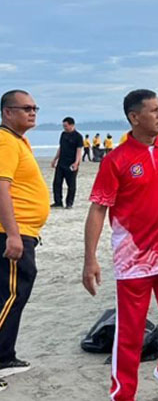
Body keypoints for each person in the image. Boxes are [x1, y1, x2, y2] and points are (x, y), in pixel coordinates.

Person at [82, 89, 158, 401]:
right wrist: (90, 259)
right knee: (131, 331)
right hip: (134, 258)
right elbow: (98, 208)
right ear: (135, 117)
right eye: (154, 110)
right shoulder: (116, 160)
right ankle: (123, 392)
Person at [0, 90, 50, 391]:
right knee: (8, 297)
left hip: (24, 232)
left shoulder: (18, 140)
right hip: (12, 233)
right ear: (7, 112)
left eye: (35, 107)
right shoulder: (5, 141)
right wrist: (14, 233)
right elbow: (1, 189)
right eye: (26, 108)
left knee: (14, 296)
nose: (33, 112)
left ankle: (5, 356)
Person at [50, 116, 84, 209]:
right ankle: (58, 202)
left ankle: (69, 203)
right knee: (56, 183)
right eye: (63, 126)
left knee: (71, 185)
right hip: (61, 163)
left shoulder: (78, 137)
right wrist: (55, 159)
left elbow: (79, 151)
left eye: (66, 126)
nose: (64, 128)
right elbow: (61, 148)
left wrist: (76, 163)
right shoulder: (63, 134)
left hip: (71, 163)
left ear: (72, 125)